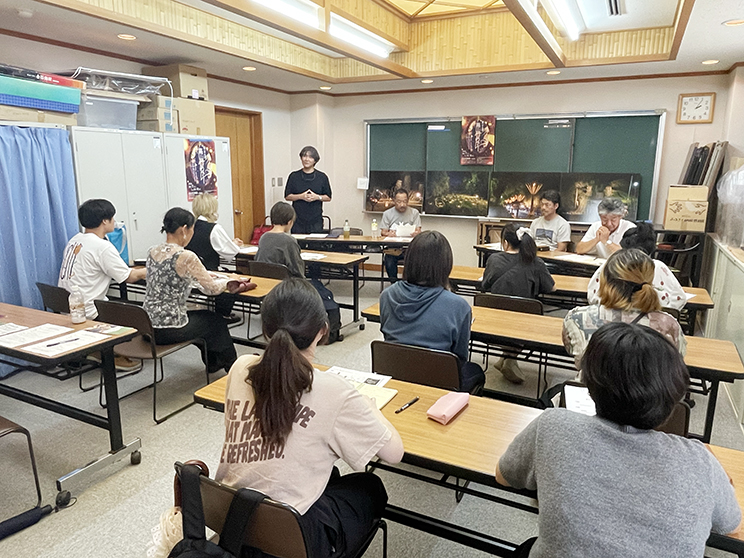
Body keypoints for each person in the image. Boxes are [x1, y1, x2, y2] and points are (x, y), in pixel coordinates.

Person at [496, 322, 741, 558]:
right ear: (672, 399)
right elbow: (730, 524)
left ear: (589, 386)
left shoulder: (553, 426)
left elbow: (503, 475)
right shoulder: (700, 462)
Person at [215, 278, 403, 558]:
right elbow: (394, 453)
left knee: (331, 475)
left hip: (234, 521)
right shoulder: (334, 391)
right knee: (369, 486)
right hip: (293, 534)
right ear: (322, 331)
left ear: (266, 330)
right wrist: (371, 409)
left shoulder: (241, 367)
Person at [379, 231, 485, 393]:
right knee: (475, 370)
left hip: (395, 376)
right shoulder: (459, 306)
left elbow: (388, 337)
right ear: (446, 265)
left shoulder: (387, 295)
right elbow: (460, 356)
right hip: (440, 384)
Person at [143, 208, 237, 374]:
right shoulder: (186, 256)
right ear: (184, 229)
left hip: (146, 325)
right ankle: (235, 370)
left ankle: (214, 363)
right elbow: (212, 289)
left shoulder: (151, 251)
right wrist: (229, 281)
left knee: (204, 321)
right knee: (216, 321)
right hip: (170, 328)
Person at [563, 248, 686, 370]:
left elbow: (572, 351)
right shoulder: (669, 325)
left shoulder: (577, 318)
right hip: (649, 389)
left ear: (604, 281)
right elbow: (677, 359)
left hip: (591, 388)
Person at [482, 224, 555, 384]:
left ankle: (507, 359)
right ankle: (509, 359)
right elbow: (552, 287)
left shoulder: (494, 259)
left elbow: (484, 286)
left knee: (507, 309)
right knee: (528, 313)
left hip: (491, 324)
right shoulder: (536, 262)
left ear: (505, 243)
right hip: (524, 326)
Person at [58, 198, 146, 320]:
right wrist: (152, 269)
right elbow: (129, 277)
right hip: (89, 313)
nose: (114, 221)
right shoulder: (102, 247)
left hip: (67, 310)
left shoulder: (74, 241)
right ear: (104, 221)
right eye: (112, 218)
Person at [587, 222, 687, 310]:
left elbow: (593, 297)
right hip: (654, 327)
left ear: (623, 246)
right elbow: (680, 298)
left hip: (611, 326)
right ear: (652, 248)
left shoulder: (610, 263)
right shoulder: (659, 267)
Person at [185, 193, 244, 321]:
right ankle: (223, 314)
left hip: (190, 274)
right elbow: (230, 252)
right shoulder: (214, 228)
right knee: (234, 275)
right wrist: (234, 244)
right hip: (209, 273)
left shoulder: (188, 227)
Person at [284, 146, 332, 234]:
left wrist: (317, 197)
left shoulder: (322, 177)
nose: (307, 159)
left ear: (315, 160)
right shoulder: (294, 176)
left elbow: (328, 197)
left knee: (315, 246)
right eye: (304, 156)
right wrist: (301, 196)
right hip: (298, 220)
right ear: (301, 158)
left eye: (310, 157)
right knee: (299, 245)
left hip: (316, 220)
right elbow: (287, 196)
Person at [380, 188, 422, 281]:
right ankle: (394, 284)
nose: (402, 204)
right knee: (389, 261)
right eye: (399, 202)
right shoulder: (387, 213)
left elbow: (418, 230)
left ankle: (410, 283)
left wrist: (416, 233)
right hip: (393, 248)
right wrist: (388, 234)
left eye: (405, 201)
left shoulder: (414, 213)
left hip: (410, 249)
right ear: (394, 201)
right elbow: (383, 232)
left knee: (418, 260)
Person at [255, 202, 305, 278]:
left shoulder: (263, 237)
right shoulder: (289, 240)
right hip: (284, 284)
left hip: (264, 279)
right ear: (290, 222)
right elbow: (297, 269)